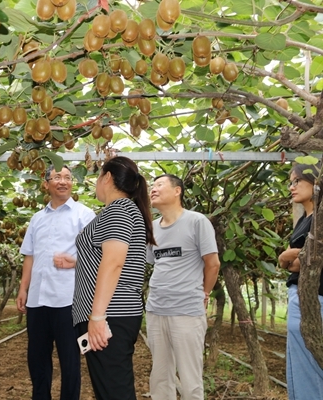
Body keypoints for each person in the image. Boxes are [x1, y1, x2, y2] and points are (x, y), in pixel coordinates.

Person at [67, 156, 156, 400]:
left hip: (109, 315)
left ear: (106, 177)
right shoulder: (123, 211)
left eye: (98, 177)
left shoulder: (118, 210)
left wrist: (96, 316)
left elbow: (115, 262)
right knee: (110, 390)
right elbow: (113, 258)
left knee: (114, 391)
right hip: (113, 314)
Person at [16, 165, 95, 400]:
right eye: (57, 177)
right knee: (37, 358)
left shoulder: (84, 214)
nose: (63, 181)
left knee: (70, 359)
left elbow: (97, 255)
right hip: (38, 300)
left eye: (68, 178)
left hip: (67, 299)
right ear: (46, 183)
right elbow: (30, 255)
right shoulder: (37, 218)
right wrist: (23, 288)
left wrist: (76, 261)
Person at [145, 174, 220, 400]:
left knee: (189, 380)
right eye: (152, 186)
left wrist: (204, 293)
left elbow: (213, 264)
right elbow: (153, 262)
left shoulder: (197, 221)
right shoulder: (152, 228)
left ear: (177, 191)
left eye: (159, 185)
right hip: (156, 309)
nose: (153, 189)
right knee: (159, 376)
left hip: (186, 311)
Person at [278, 163, 323, 399]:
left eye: (296, 181)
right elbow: (288, 260)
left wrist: (293, 256)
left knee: (310, 359)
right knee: (301, 358)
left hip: (317, 296)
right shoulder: (304, 220)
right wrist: (294, 256)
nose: (291, 187)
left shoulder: (321, 218)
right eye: (290, 182)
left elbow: (304, 257)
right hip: (300, 292)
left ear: (315, 181)